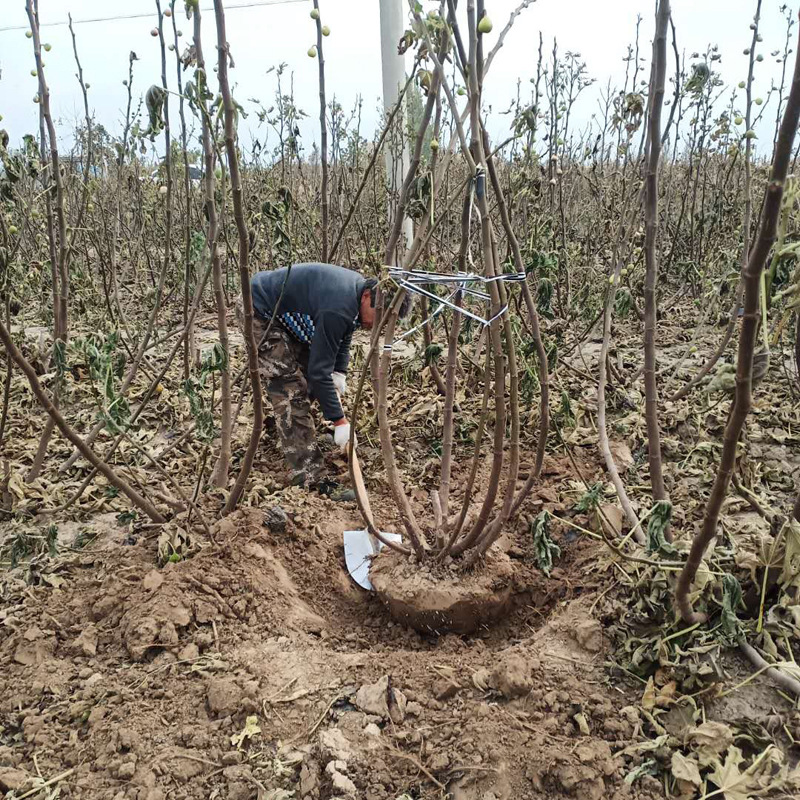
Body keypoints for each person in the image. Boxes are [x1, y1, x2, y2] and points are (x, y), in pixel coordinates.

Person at [236, 262, 408, 495]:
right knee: (291, 390)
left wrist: (339, 372)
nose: (376, 325)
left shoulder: (354, 294)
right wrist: (340, 421)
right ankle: (309, 477)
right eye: (378, 317)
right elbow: (319, 372)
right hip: (258, 311)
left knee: (308, 377)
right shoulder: (339, 305)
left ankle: (291, 430)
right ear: (368, 297)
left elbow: (344, 336)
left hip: (285, 318)